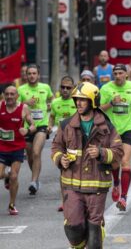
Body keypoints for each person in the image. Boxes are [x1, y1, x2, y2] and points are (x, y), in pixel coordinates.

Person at [51, 82, 123, 248]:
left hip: (96, 185)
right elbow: (56, 147)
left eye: (83, 100)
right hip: (71, 184)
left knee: (94, 234)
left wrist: (101, 153)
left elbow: (118, 152)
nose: (78, 103)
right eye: (77, 99)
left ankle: (97, 234)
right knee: (73, 227)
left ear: (92, 101)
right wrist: (60, 158)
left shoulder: (107, 126)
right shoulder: (66, 125)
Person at [100, 64, 131, 211]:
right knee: (115, 162)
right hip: (112, 129)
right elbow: (98, 108)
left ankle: (124, 197)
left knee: (125, 161)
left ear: (126, 74)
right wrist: (112, 103)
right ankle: (116, 183)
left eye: (121, 73)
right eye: (116, 73)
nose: (118, 76)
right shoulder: (106, 88)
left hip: (130, 127)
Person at [18, 64, 54, 195]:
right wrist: (25, 103)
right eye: (29, 73)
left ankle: (33, 181)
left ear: (38, 75)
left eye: (34, 73)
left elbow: (52, 99)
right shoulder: (21, 90)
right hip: (27, 127)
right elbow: (15, 106)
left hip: (41, 125)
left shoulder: (45, 87)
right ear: (26, 75)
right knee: (30, 155)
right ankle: (36, 177)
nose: (32, 76)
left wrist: (51, 106)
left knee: (36, 152)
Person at [0, 86, 35, 215]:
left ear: (17, 96)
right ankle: (6, 176)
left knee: (14, 176)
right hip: (2, 147)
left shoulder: (23, 109)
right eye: (7, 94)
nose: (9, 97)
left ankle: (11, 204)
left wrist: (28, 130)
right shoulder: (0, 106)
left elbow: (33, 124)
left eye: (12, 94)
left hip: (17, 147)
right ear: (3, 95)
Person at [48, 76, 77, 211]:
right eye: (62, 87)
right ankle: (65, 201)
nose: (65, 90)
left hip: (76, 140)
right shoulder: (55, 103)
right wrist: (49, 126)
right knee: (63, 170)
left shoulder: (78, 102)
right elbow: (52, 117)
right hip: (61, 141)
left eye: (68, 88)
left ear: (73, 88)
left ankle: (78, 199)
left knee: (76, 170)